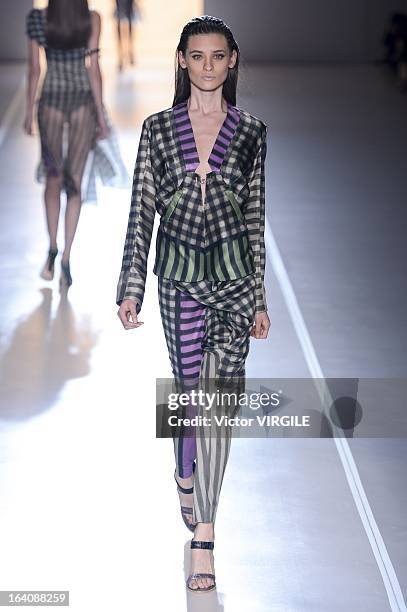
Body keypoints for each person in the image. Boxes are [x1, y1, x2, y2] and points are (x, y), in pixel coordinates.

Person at [116, 15, 271, 593]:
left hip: (231, 287)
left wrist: (257, 297)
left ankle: (203, 540)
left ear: (233, 60)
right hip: (177, 282)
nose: (208, 65)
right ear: (182, 60)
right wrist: (131, 284)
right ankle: (184, 471)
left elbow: (256, 223)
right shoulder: (158, 131)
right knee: (187, 395)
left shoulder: (253, 133)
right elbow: (141, 212)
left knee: (217, 413)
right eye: (197, 56)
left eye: (218, 56)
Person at [24, 0, 117, 289]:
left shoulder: (37, 19)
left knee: (53, 179)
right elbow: (93, 68)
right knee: (74, 182)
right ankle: (66, 258)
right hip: (81, 105)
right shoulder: (92, 19)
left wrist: (28, 112)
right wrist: (101, 115)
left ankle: (52, 248)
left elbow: (34, 69)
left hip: (50, 102)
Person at [114, 0, 140, 71]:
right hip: (123, 8)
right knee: (122, 34)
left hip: (127, 8)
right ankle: (124, 57)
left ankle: (128, 55)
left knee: (127, 34)